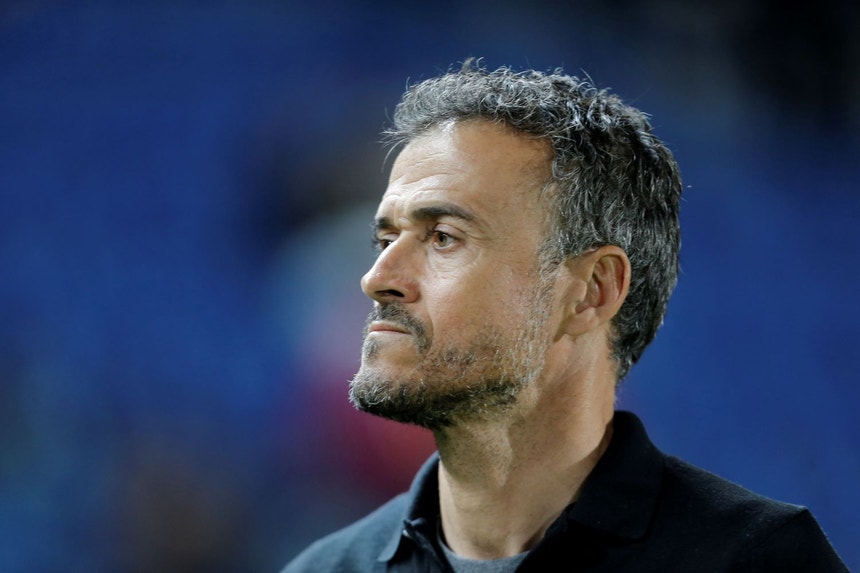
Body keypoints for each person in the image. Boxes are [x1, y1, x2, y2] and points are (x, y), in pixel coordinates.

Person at [283, 61, 848, 572]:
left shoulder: (757, 560)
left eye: (444, 237)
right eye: (386, 239)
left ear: (591, 292)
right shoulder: (324, 569)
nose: (374, 277)